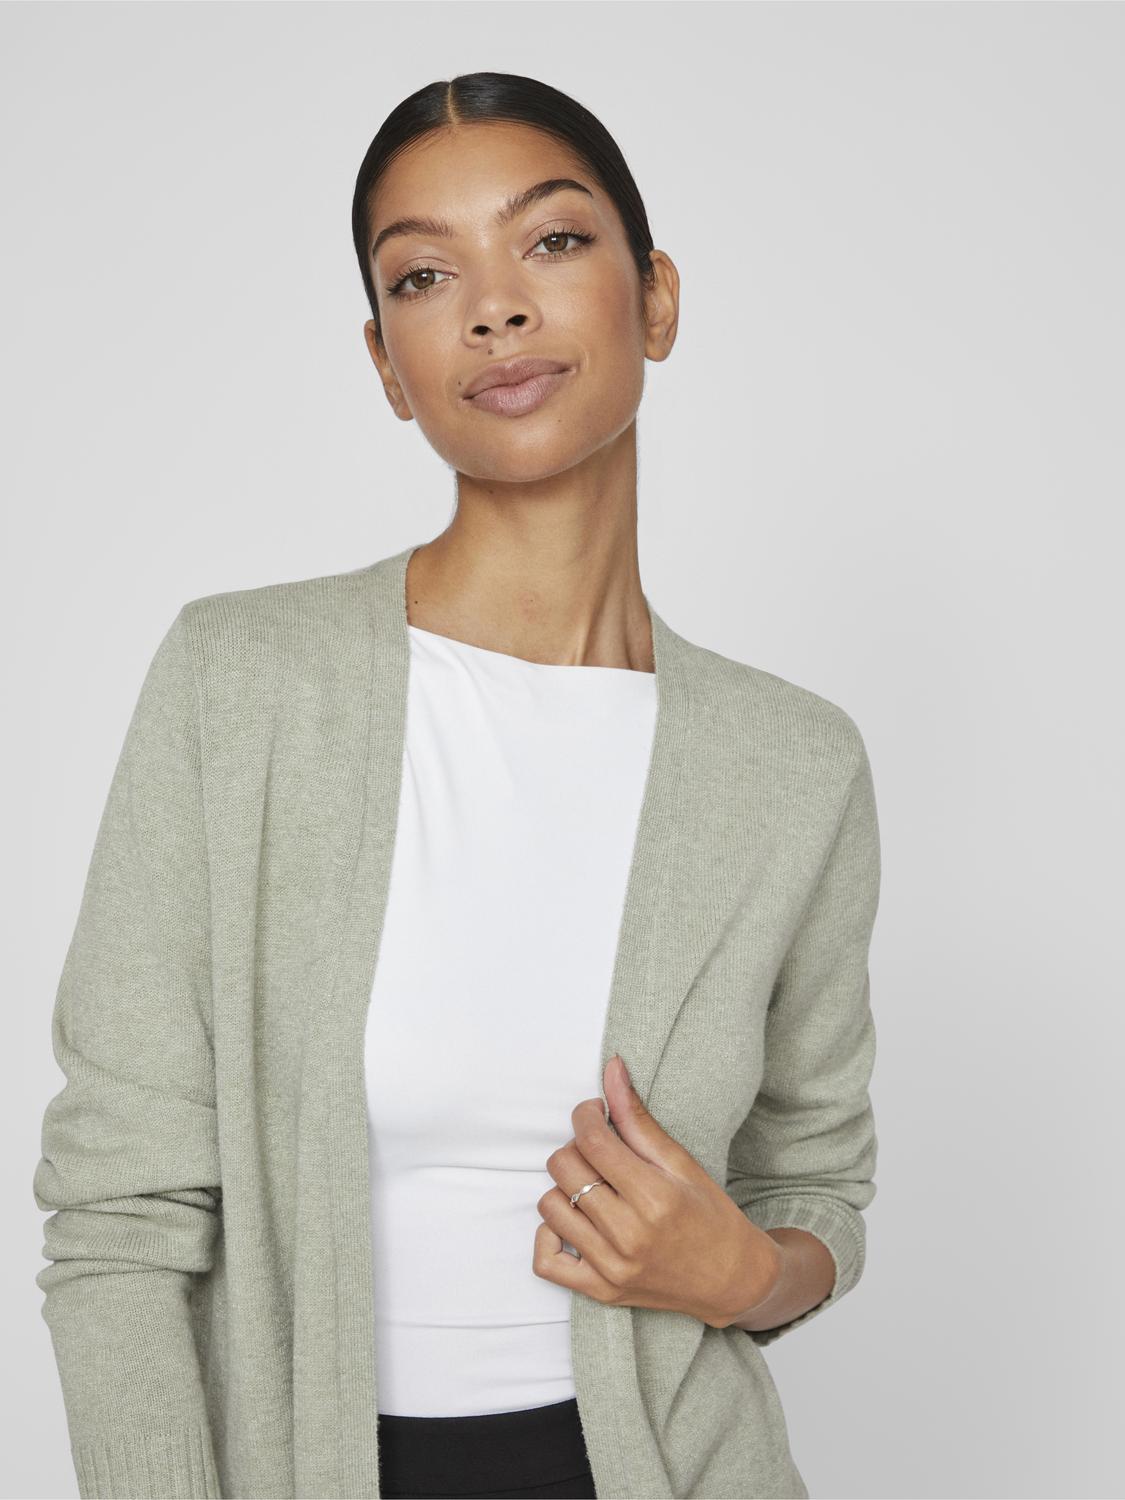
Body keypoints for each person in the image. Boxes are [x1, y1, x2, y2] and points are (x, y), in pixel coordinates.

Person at [33, 72, 881, 1500]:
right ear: (387, 363)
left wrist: (747, 1276)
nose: (494, 309)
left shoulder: (793, 766)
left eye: (551, 241)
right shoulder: (240, 684)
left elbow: (815, 1187)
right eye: (426, 276)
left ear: (656, 298)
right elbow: (119, 1221)